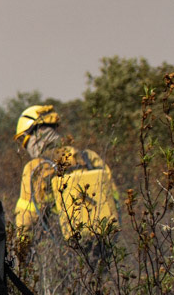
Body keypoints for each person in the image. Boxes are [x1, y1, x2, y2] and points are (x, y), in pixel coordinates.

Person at [13, 105, 119, 245]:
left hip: (67, 247)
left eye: (23, 139)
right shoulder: (89, 157)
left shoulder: (36, 168)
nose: (24, 147)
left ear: (35, 132)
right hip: (104, 241)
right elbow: (115, 199)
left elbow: (27, 219)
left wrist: (21, 252)